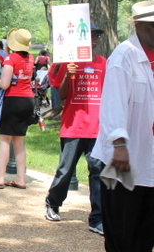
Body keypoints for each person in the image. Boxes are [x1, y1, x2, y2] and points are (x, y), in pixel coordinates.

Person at [91, 0, 154, 251]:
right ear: (138, 26)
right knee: (121, 231)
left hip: (149, 157)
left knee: (146, 233)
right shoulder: (123, 55)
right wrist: (118, 144)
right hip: (122, 159)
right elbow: (113, 104)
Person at [43, 25, 106, 235]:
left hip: (97, 129)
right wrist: (66, 76)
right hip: (73, 126)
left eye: (97, 36)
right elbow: (61, 95)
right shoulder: (69, 63)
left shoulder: (103, 63)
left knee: (97, 171)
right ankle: (53, 202)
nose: (95, 39)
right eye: (91, 36)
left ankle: (97, 218)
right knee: (66, 170)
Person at [0, 28, 34, 189]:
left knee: (4, 139)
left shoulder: (11, 58)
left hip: (13, 100)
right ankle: (20, 178)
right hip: (28, 100)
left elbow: (5, 84)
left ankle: (0, 177)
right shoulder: (31, 58)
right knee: (19, 142)